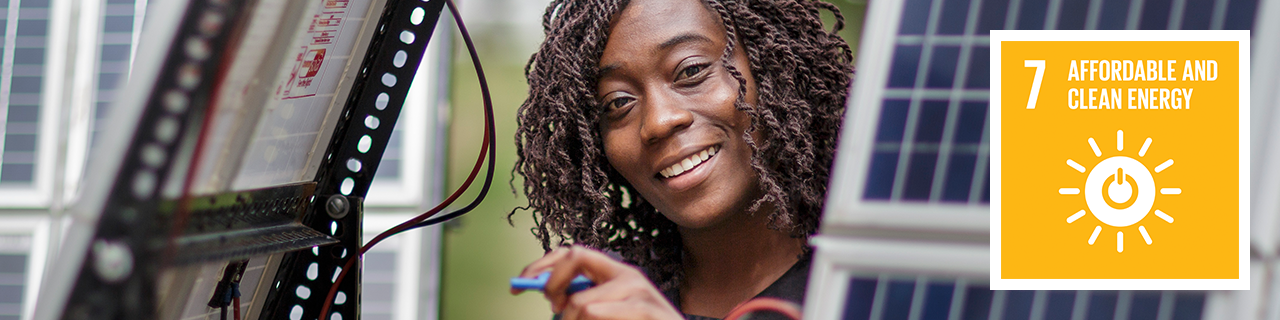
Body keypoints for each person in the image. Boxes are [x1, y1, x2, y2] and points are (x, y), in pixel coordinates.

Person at [509, 0, 853, 318]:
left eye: (691, 71)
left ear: (773, 69)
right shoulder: (607, 302)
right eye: (618, 102)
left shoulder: (873, 284)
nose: (659, 121)